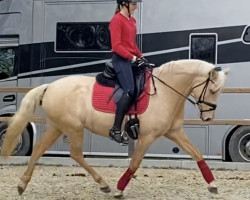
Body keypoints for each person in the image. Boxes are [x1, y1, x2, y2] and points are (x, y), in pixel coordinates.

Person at [109, 0, 147, 145]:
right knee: (129, 90)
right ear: (124, 3)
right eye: (134, 4)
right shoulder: (116, 20)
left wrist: (141, 57)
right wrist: (133, 58)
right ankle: (115, 129)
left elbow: (132, 44)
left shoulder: (132, 20)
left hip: (131, 59)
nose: (136, 7)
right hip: (120, 60)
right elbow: (117, 46)